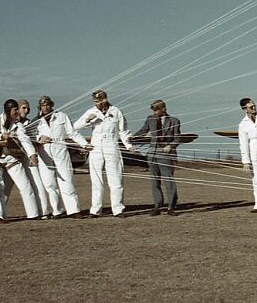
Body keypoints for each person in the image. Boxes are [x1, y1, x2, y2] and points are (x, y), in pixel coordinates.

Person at [74, 90, 134, 218]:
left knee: (116, 179)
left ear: (104, 99)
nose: (96, 104)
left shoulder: (116, 111)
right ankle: (95, 210)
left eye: (98, 101)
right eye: (95, 101)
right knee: (96, 181)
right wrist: (87, 121)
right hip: (95, 148)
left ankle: (118, 209)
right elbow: (75, 127)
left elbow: (123, 131)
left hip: (111, 146)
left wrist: (129, 146)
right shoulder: (91, 112)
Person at [0, 99, 40, 220]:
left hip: (11, 158)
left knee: (25, 185)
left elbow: (24, 139)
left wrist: (32, 154)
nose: (17, 113)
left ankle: (33, 215)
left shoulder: (17, 125)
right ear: (8, 110)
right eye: (15, 110)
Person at [35, 95, 89, 219]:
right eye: (43, 105)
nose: (46, 107)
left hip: (60, 149)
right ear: (40, 107)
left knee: (66, 179)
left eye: (48, 104)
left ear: (52, 105)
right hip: (45, 152)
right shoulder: (35, 121)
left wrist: (84, 144)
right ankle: (57, 211)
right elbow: (32, 136)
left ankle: (74, 210)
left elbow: (72, 133)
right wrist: (39, 139)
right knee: (49, 183)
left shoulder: (61, 116)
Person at [133, 100, 181, 216]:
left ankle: (171, 207)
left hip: (166, 153)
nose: (155, 112)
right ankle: (157, 206)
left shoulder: (174, 121)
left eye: (157, 110)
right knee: (154, 181)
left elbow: (177, 137)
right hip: (152, 153)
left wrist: (171, 146)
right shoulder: (150, 119)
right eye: (153, 110)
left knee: (168, 180)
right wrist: (131, 139)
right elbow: (143, 131)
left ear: (164, 108)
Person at [17, 99, 50, 218]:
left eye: (27, 108)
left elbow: (34, 136)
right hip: (13, 160)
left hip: (29, 158)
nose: (26, 111)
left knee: (38, 184)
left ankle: (43, 212)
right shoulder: (11, 124)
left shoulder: (31, 123)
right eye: (23, 108)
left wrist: (40, 139)